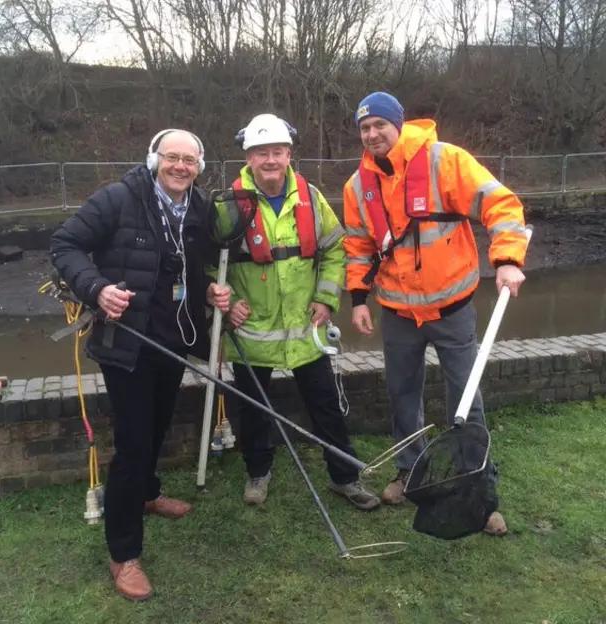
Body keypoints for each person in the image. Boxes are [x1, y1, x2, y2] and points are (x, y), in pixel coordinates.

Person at [50, 129, 230, 601]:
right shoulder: (117, 199)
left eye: (189, 160)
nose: (180, 167)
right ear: (154, 159)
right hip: (126, 341)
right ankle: (123, 553)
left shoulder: (199, 207)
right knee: (133, 443)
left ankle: (148, 494)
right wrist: (97, 289)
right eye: (171, 157)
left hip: (173, 337)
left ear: (200, 167)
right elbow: (64, 244)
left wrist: (211, 289)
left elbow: (200, 262)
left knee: (159, 425)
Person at [343, 92, 529, 536]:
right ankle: (410, 473)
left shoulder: (445, 160)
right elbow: (357, 246)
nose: (372, 135)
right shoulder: (357, 187)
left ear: (398, 124)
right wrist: (357, 300)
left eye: (379, 126)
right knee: (402, 396)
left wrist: (507, 259)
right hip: (398, 314)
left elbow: (499, 204)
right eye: (364, 129)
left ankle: (478, 492)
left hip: (452, 310)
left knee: (466, 401)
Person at [220, 113, 380, 511]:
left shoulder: (311, 198)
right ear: (248, 157)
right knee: (254, 411)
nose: (270, 160)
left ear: (289, 154)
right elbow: (208, 262)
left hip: (307, 328)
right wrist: (224, 300)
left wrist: (327, 299)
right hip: (252, 330)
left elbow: (334, 251)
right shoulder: (228, 204)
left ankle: (345, 478)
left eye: (277, 152)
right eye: (261, 153)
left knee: (325, 407)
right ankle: (258, 473)